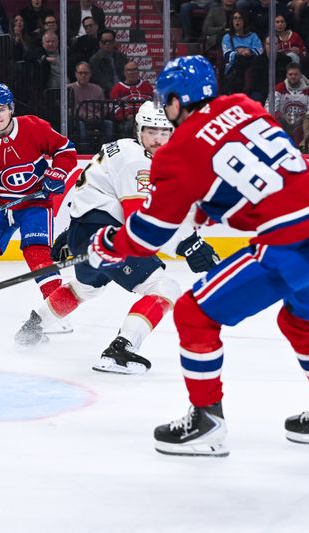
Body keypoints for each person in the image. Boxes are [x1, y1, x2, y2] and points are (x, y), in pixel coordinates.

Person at [88, 55, 309, 456]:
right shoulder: (245, 105)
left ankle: (206, 422)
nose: (166, 111)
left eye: (167, 102)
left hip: (293, 241)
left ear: (178, 101)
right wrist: (206, 206)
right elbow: (257, 167)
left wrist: (107, 246)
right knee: (303, 323)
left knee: (193, 313)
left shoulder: (175, 152)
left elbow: (148, 235)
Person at [15, 102, 218, 374]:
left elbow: (95, 190)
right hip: (105, 235)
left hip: (86, 230)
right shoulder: (138, 161)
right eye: (150, 131)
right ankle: (120, 351)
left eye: (164, 132)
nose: (157, 139)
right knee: (164, 288)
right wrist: (187, 245)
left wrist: (73, 233)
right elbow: (141, 222)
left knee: (85, 288)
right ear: (139, 130)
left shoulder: (121, 147)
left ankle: (32, 329)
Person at [0, 84, 77, 314]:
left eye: (1, 109)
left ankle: (58, 311)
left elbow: (65, 150)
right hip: (0, 206)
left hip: (34, 203)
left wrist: (58, 172)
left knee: (36, 252)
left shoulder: (33, 126)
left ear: (11, 109)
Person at [109, 61, 154, 139]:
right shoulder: (117, 88)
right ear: (124, 73)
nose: (132, 73)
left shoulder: (147, 86)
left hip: (147, 118)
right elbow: (114, 108)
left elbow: (153, 103)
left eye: (134, 70)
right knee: (130, 125)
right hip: (127, 120)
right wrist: (127, 115)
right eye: (129, 70)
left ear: (138, 72)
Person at [221, 10, 262, 94]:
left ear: (244, 21)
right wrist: (238, 53)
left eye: (240, 18)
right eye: (235, 18)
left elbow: (260, 50)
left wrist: (249, 51)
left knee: (246, 59)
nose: (237, 21)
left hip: (251, 63)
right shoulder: (227, 37)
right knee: (241, 59)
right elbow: (226, 54)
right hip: (233, 66)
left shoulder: (253, 36)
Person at [88, 30, 128, 96]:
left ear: (114, 43)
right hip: (106, 93)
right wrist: (116, 90)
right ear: (100, 44)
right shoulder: (94, 60)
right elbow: (100, 80)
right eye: (104, 42)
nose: (107, 44)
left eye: (110, 41)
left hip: (124, 90)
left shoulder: (122, 57)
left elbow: (126, 76)